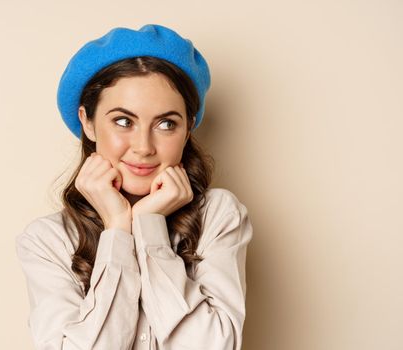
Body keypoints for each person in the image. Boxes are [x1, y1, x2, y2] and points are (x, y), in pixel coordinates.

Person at [15, 24, 254, 350]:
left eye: (166, 123)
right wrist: (118, 230)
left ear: (187, 130)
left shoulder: (218, 215)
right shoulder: (47, 241)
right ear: (88, 123)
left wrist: (150, 227)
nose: (143, 147)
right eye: (124, 121)